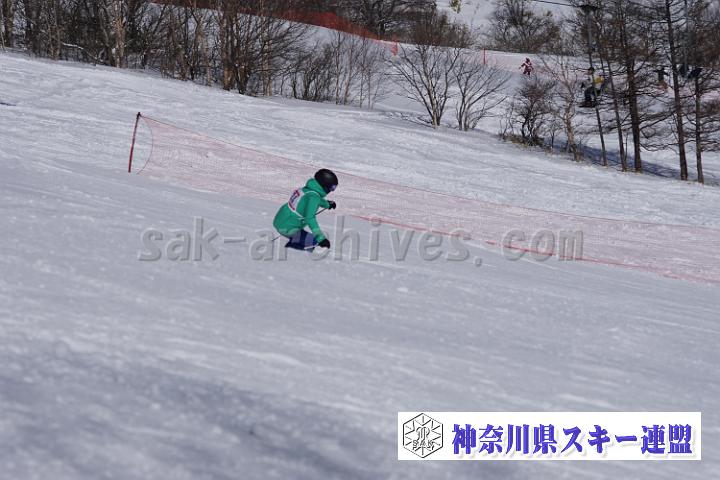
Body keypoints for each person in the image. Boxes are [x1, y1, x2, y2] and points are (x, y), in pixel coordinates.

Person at [273, 169, 338, 251]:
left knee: (305, 239)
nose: (332, 190)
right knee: (312, 243)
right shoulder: (313, 197)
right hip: (288, 227)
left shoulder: (308, 189)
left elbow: (313, 199)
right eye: (332, 187)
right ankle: (291, 253)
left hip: (281, 220)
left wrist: (327, 204)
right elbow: (310, 218)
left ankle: (293, 244)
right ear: (324, 185)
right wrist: (321, 238)